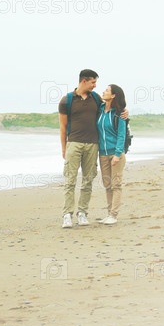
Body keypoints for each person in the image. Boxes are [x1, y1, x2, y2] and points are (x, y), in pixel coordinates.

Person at [58, 69, 102, 228]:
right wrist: (64, 148)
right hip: (74, 143)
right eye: (93, 82)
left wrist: (125, 111)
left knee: (88, 180)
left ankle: (82, 213)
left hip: (93, 144)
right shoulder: (67, 100)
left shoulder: (96, 98)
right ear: (84, 81)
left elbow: (110, 109)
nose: (95, 85)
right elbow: (63, 127)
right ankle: (67, 215)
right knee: (70, 180)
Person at [96, 84, 127, 225]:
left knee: (116, 185)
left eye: (107, 90)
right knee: (107, 185)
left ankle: (114, 215)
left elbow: (121, 135)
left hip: (116, 154)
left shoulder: (119, 113)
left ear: (113, 95)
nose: (104, 91)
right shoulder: (100, 110)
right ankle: (109, 214)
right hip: (103, 154)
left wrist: (118, 154)